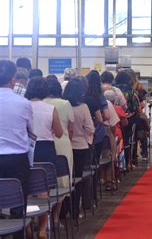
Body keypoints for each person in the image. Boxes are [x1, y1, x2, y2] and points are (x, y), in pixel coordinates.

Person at [25, 76, 63, 238]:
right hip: (46, 149)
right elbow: (60, 133)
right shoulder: (50, 109)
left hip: (28, 149)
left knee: (27, 191)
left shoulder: (24, 106)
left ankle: (27, 226)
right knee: (43, 192)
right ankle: (42, 229)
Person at [0, 60, 33, 238]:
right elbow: (31, 130)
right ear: (13, 79)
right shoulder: (23, 103)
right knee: (19, 204)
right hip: (17, 159)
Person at [43, 77, 75, 228]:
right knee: (63, 181)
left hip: (44, 143)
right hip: (63, 142)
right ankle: (55, 218)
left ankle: (42, 218)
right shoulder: (65, 103)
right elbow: (70, 128)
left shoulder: (40, 103)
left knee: (43, 181)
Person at [63, 78, 95, 219]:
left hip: (65, 147)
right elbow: (90, 128)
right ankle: (75, 210)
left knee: (66, 180)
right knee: (78, 178)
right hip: (81, 146)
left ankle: (63, 211)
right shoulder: (83, 107)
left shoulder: (63, 106)